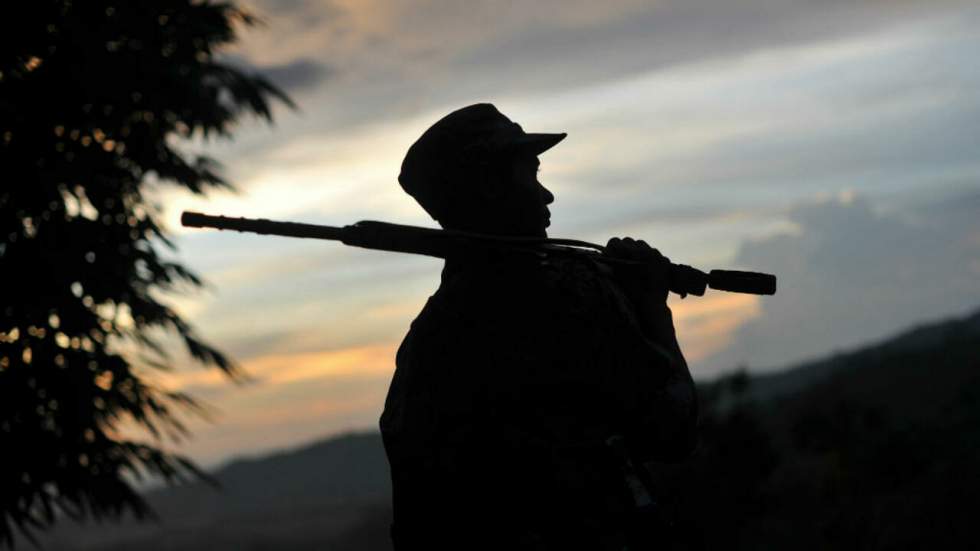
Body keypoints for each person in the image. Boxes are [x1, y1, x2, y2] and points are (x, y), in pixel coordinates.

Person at [380, 103, 698, 550]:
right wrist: (652, 309)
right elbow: (673, 427)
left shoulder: (425, 340)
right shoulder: (569, 296)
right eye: (529, 174)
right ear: (489, 187)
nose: (545, 195)